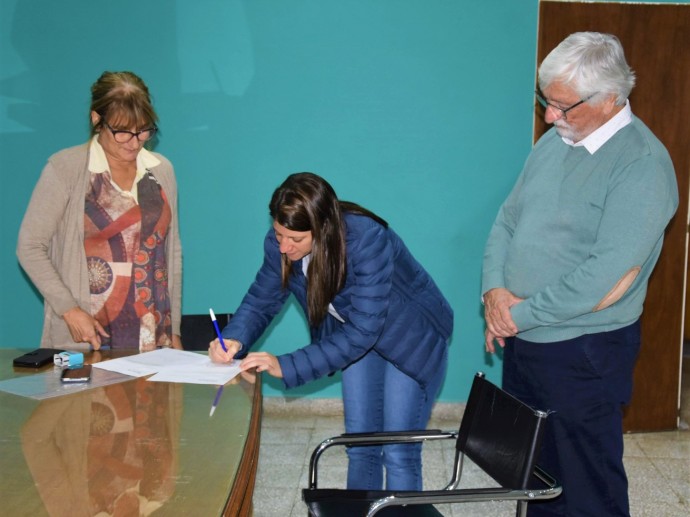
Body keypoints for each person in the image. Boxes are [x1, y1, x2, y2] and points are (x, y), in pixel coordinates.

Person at [482, 32, 678, 516]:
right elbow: (508, 218)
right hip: (526, 340)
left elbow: (606, 279)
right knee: (537, 479)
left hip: (583, 353)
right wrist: (495, 292)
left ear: (611, 98)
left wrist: (518, 315)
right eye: (545, 101)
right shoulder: (556, 141)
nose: (550, 116)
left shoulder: (643, 165)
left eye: (562, 106)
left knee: (588, 485)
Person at [209, 172, 453, 491]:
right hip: (356, 336)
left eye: (295, 239)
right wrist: (234, 337)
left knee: (398, 449)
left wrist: (286, 365)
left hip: (410, 338)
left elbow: (363, 331)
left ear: (322, 229)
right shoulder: (281, 243)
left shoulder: (366, 238)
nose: (283, 246)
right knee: (360, 445)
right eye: (278, 234)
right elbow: (262, 297)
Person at [17, 71, 182, 352]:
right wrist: (69, 309)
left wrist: (174, 330)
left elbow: (171, 254)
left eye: (143, 130)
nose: (134, 141)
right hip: (90, 338)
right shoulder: (65, 169)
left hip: (155, 340)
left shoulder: (161, 170)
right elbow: (30, 247)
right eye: (122, 131)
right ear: (97, 119)